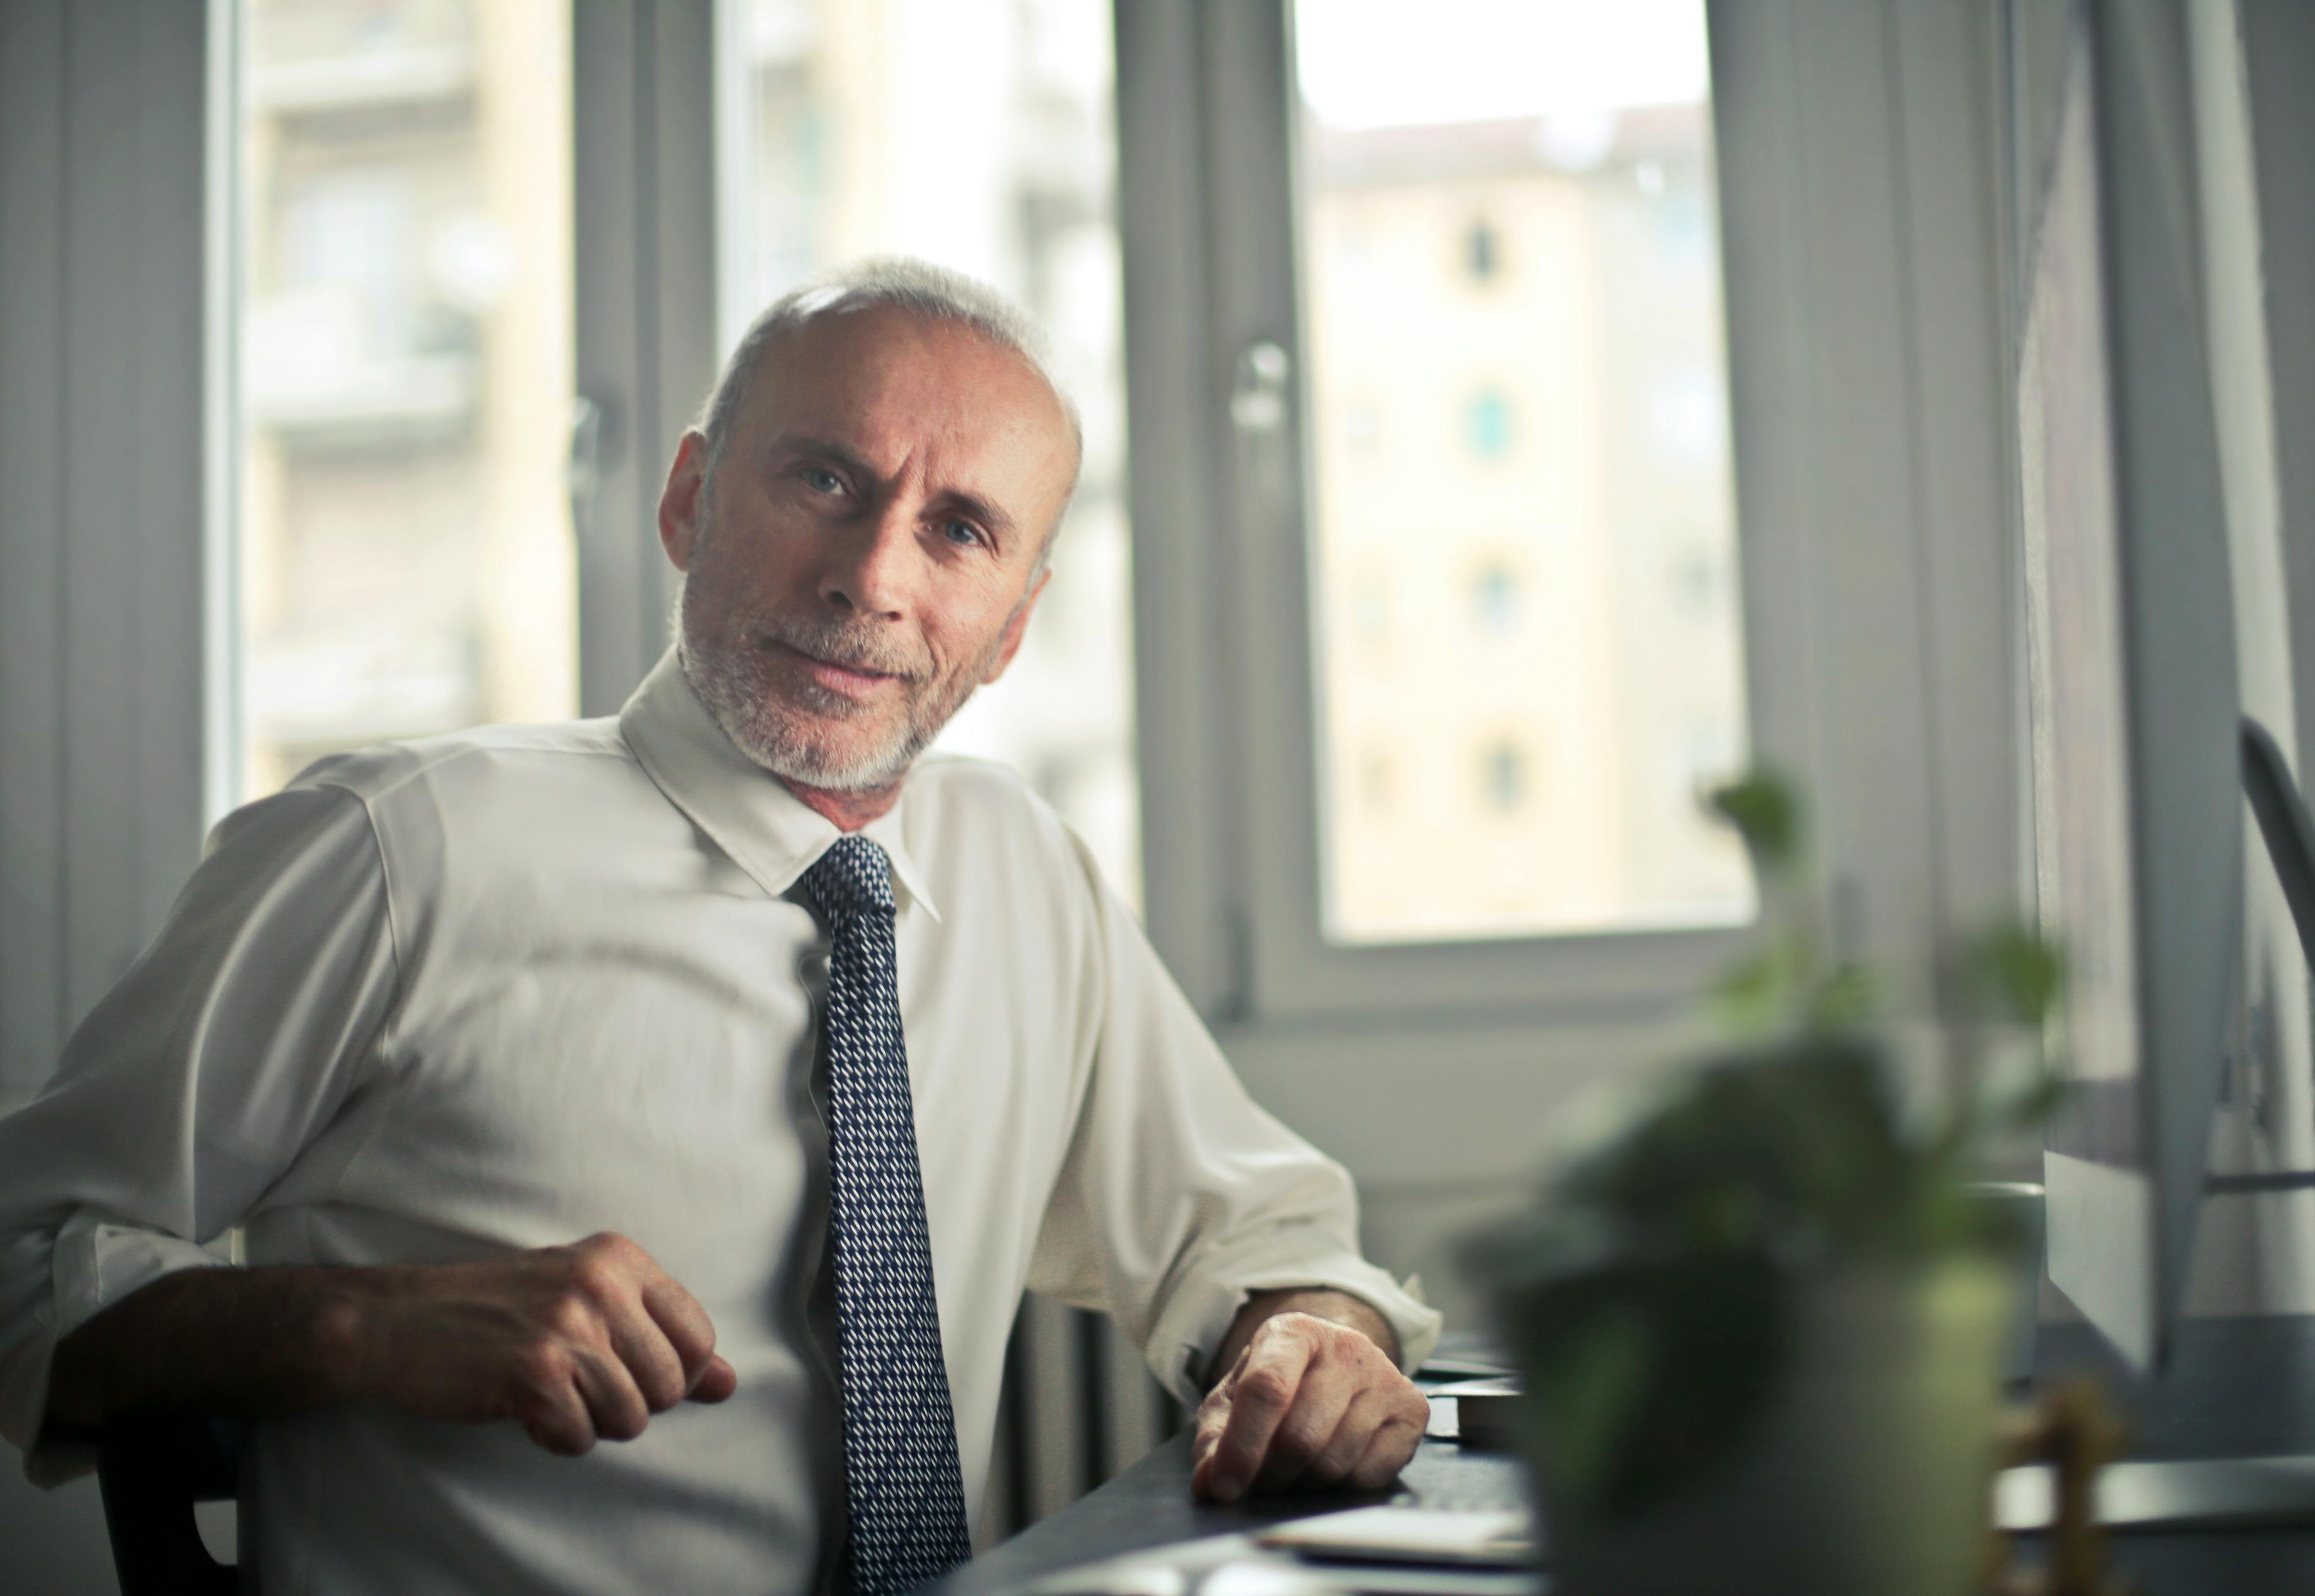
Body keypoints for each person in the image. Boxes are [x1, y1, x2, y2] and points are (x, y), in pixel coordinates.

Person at [0, 259, 1438, 1595]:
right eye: (824, 477)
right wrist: (357, 1322)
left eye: (959, 531)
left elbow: (1253, 1231)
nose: (872, 576)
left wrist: (1312, 1334)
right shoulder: (398, 850)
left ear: (1009, 626)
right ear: (690, 497)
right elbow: (19, 1250)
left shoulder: (1023, 869)